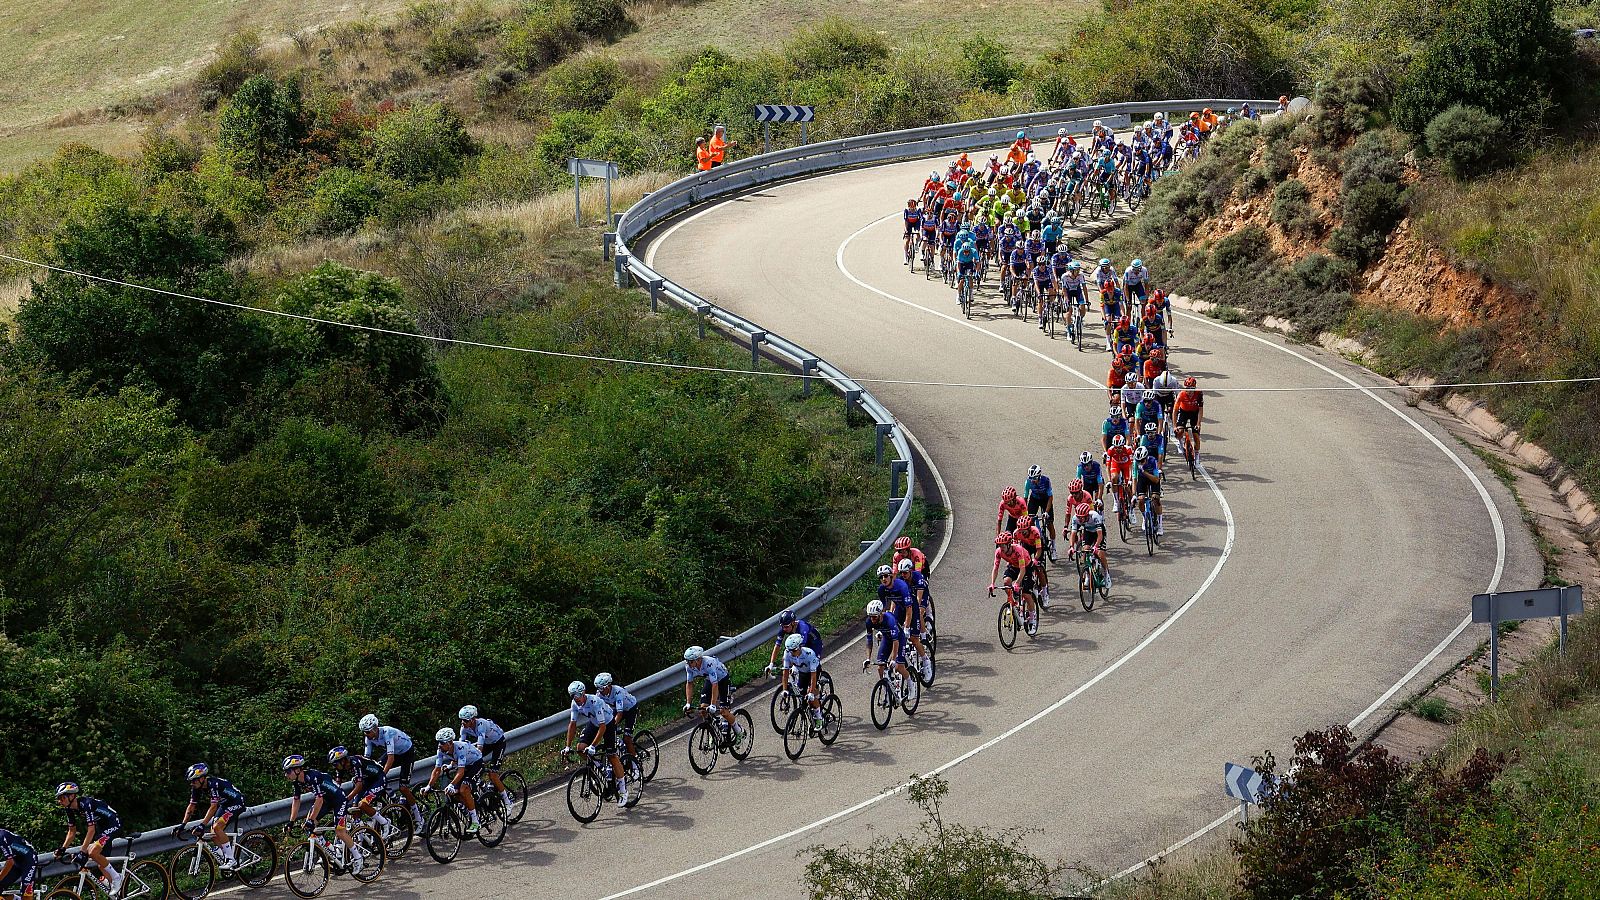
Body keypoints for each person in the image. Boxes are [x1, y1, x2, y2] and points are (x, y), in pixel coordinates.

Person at [283, 755, 370, 866]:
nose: (286, 775)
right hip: (326, 801)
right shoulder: (297, 782)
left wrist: (311, 819)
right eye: (286, 772)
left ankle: (358, 858)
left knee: (340, 831)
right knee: (309, 826)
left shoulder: (312, 777)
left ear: (298, 769)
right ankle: (333, 851)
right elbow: (296, 801)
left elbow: (319, 799)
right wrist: (291, 821)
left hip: (338, 799)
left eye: (288, 771)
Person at [565, 682, 630, 808]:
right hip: (594, 724)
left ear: (583, 693)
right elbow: (572, 725)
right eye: (573, 696)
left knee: (612, 755)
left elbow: (602, 727)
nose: (576, 698)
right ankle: (601, 768)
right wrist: (567, 746)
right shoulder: (574, 704)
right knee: (580, 748)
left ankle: (623, 790)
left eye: (577, 695)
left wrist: (593, 746)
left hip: (607, 723)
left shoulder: (595, 702)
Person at [174, 763, 247, 873]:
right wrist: (183, 824)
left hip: (236, 802)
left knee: (217, 827)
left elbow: (213, 807)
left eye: (194, 781)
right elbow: (191, 806)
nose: (192, 784)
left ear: (202, 778)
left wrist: (202, 825)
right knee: (213, 833)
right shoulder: (197, 787)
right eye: (191, 781)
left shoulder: (214, 784)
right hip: (225, 805)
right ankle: (227, 855)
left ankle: (231, 859)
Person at [54, 783, 123, 895]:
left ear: (71, 796)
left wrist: (82, 851)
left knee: (92, 851)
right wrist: (63, 848)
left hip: (113, 824)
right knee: (100, 861)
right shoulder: (69, 809)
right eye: (58, 799)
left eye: (62, 798)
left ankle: (117, 878)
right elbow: (72, 831)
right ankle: (118, 893)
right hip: (102, 827)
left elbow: (91, 830)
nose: (60, 801)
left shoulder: (86, 804)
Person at [360, 715, 424, 830]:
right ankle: (395, 800)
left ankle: (419, 818)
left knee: (403, 788)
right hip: (395, 752)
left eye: (368, 732)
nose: (366, 734)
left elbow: (391, 759)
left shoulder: (387, 733)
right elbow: (367, 759)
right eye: (364, 732)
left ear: (375, 728)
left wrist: (382, 776)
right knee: (376, 769)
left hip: (406, 752)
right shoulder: (368, 738)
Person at [326, 747, 395, 839]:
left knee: (362, 804)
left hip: (378, 779)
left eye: (335, 764)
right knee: (355, 809)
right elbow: (337, 785)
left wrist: (346, 799)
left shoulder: (356, 763)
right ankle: (361, 836)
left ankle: (385, 823)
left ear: (343, 760)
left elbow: (359, 786)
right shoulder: (340, 767)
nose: (334, 766)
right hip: (366, 781)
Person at [877, 564, 931, 680]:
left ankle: (926, 662)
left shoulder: (901, 586)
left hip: (912, 609)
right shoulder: (881, 589)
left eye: (886, 576)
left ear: (891, 576)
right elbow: (883, 609)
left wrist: (906, 627)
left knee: (913, 639)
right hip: (900, 609)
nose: (883, 579)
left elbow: (909, 610)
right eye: (881, 577)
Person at [428, 728, 489, 827]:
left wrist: (451, 784)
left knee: (463, 789)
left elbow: (460, 772)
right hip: (465, 766)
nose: (439, 745)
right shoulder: (441, 750)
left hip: (476, 763)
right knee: (455, 793)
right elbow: (437, 770)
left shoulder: (460, 748)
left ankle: (475, 821)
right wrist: (429, 786)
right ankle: (470, 808)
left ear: (450, 742)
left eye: (442, 743)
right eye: (438, 742)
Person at [458, 706, 512, 809]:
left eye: (465, 720)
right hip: (488, 743)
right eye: (461, 720)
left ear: (473, 720)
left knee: (493, 774)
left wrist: (477, 764)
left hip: (498, 743)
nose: (463, 723)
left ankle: (507, 801)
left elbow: (480, 746)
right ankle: (485, 786)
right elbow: (461, 747)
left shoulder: (481, 724)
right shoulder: (463, 728)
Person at [683, 646, 742, 736]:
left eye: (690, 661)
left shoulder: (708, 663)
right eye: (687, 661)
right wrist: (688, 703)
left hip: (722, 680)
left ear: (698, 659)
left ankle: (739, 732)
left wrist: (713, 705)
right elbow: (689, 683)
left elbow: (715, 685)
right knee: (703, 709)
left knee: (724, 712)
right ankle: (713, 731)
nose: (688, 664)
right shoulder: (689, 666)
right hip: (710, 680)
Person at [862, 599, 914, 699]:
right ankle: (887, 688)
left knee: (899, 667)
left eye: (874, 617)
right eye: (870, 616)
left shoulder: (889, 620)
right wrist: (868, 658)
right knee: (880, 666)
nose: (872, 619)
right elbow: (869, 641)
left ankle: (911, 685)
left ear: (881, 614)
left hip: (898, 639)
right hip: (887, 638)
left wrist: (893, 659)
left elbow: (896, 642)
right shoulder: (869, 622)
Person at [988, 533, 1038, 630]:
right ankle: (1014, 602)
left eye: (1003, 545)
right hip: (1014, 566)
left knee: (1026, 594)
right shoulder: (998, 552)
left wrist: (1017, 583)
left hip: (1026, 567)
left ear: (1009, 544)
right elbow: (995, 568)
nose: (1001, 547)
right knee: (1006, 582)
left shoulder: (1018, 550)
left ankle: (1032, 618)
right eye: (999, 545)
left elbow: (1022, 570)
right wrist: (992, 583)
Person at [779, 634, 827, 730]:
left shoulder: (810, 654)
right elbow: (785, 672)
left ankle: (819, 718)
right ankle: (816, 699)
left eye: (794, 650)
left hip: (813, 672)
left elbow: (813, 676)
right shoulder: (787, 653)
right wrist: (784, 689)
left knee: (811, 694)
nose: (792, 653)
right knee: (801, 693)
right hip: (802, 673)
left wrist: (811, 692)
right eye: (790, 651)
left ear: (800, 647)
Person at [593, 673, 640, 758]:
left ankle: (635, 764)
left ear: (608, 686)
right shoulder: (599, 694)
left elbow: (619, 713)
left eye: (601, 688)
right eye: (598, 688)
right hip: (617, 710)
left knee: (627, 738)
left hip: (630, 709)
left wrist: (611, 726)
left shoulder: (617, 692)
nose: (600, 690)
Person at [1066, 502, 1111, 590]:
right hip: (1088, 532)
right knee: (1085, 550)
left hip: (1099, 532)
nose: (1080, 519)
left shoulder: (1095, 516)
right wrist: (1071, 547)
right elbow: (1073, 533)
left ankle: (1106, 574)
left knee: (1100, 553)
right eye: (1078, 517)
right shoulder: (1075, 518)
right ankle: (1087, 574)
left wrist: (1096, 546)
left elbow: (1100, 535)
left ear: (1087, 515)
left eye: (1081, 517)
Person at [1010, 515, 1049, 605]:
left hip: (1036, 546)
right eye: (1021, 531)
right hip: (1026, 546)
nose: (1022, 533)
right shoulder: (1016, 533)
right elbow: (1016, 548)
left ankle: (1044, 590)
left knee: (1038, 567)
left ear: (1029, 528)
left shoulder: (1035, 531)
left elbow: (1039, 549)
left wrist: (1035, 559)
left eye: (1024, 531)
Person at [1022, 464, 1055, 552]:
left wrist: (1047, 512)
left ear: (1039, 476)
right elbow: (1025, 497)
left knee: (1049, 524)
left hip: (1045, 499)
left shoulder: (1046, 481)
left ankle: (1053, 548)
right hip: (1034, 499)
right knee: (1030, 521)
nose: (1032, 480)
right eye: (1031, 478)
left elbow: (1050, 497)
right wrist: (1024, 512)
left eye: (1035, 478)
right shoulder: (1028, 482)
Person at [0, 827, 37, 900]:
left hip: (29, 859)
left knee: (26, 893)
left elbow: (10, 862)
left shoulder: (1, 837)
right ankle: (15, 898)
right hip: (16, 861)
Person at [1133, 446, 1164, 535]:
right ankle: (1145, 517)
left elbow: (1156, 480)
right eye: (1139, 461)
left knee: (1155, 498)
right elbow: (1135, 478)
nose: (1140, 463)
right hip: (1142, 480)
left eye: (1142, 460)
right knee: (1141, 499)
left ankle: (1160, 525)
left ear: (1146, 458)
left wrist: (1144, 472)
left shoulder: (1152, 461)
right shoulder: (1136, 463)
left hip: (1153, 478)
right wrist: (1134, 494)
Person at [1175, 376, 1205, 460]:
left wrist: (1198, 424)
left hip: (1194, 413)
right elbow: (1175, 411)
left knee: (1196, 436)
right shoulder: (1181, 394)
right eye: (1187, 388)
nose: (1190, 391)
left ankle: (1197, 457)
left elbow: (1200, 410)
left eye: (1192, 388)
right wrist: (1174, 426)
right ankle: (1180, 443)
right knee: (1180, 431)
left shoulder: (1199, 393)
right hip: (1183, 412)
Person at [1104, 434, 1135, 513]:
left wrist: (1130, 479)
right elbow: (1108, 467)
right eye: (1116, 447)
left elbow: (1131, 466)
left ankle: (1132, 508)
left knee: (1128, 487)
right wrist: (1109, 481)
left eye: (1120, 447)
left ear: (1123, 445)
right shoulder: (1110, 450)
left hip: (1126, 466)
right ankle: (1116, 501)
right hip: (1116, 465)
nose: (1118, 449)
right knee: (1114, 479)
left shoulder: (1128, 449)